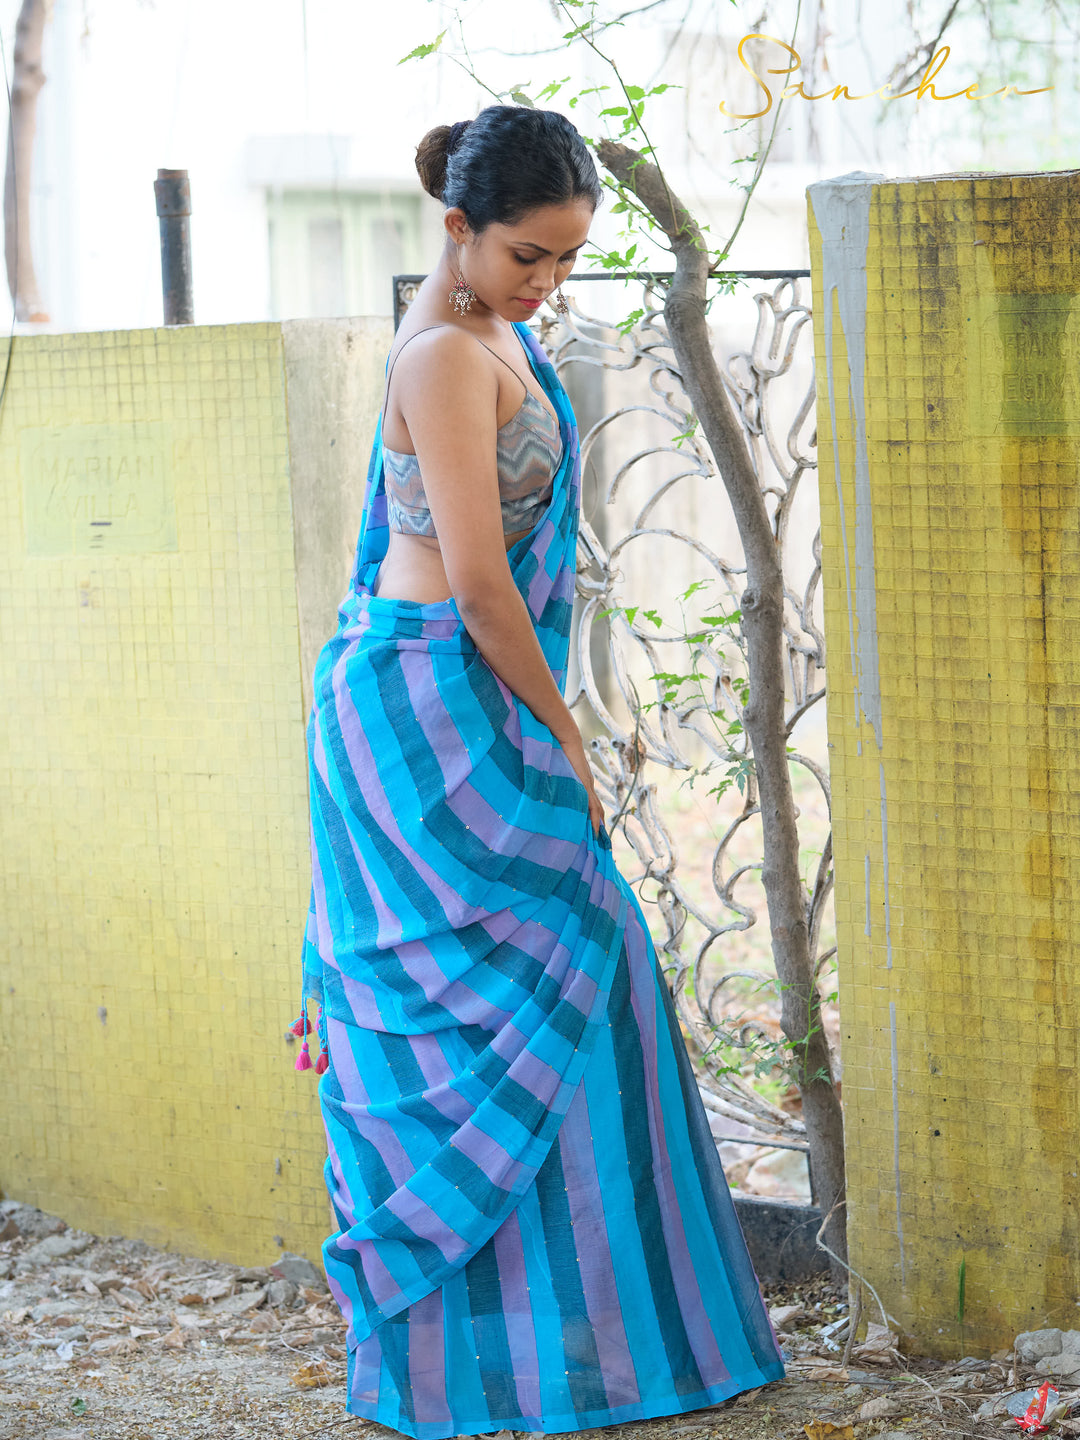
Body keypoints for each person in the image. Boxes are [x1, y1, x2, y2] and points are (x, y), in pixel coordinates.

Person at [294, 104, 784, 1440]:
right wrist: (565, 735)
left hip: (470, 691)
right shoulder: (445, 358)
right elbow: (474, 582)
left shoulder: (500, 332)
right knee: (511, 993)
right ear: (458, 228)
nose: (548, 281)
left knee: (580, 979)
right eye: (529, 255)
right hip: (427, 707)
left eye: (569, 258)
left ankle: (585, 1350)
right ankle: (494, 1366)